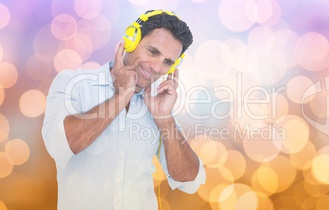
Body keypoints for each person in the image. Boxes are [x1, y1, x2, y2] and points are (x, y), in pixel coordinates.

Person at [42, 9, 206, 210]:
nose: (156, 67)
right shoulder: (73, 83)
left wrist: (165, 120)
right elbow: (59, 146)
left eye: (167, 62)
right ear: (131, 40)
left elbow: (189, 181)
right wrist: (121, 97)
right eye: (153, 52)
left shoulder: (157, 105)